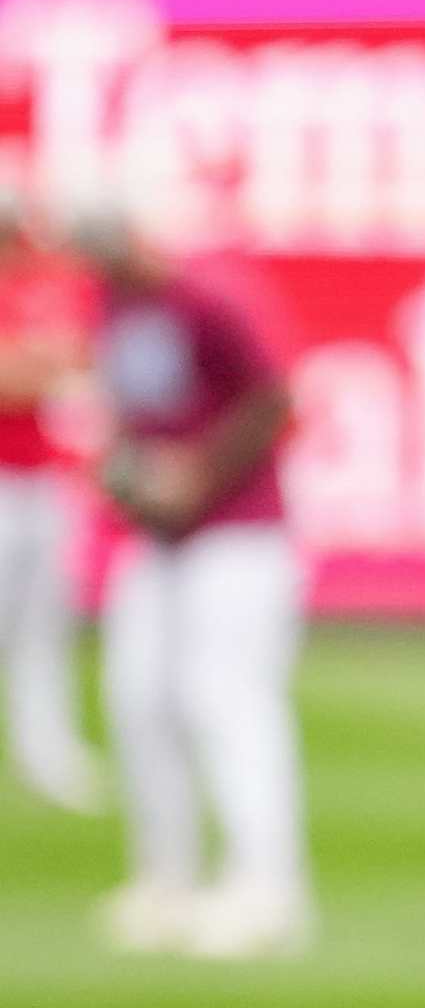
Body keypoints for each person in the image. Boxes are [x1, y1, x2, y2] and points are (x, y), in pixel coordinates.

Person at [71, 205, 313, 960]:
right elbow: (131, 410)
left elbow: (275, 398)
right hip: (159, 539)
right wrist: (124, 471)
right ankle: (166, 878)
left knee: (228, 700)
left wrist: (198, 473)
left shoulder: (208, 298)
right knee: (139, 697)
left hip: (239, 535)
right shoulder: (111, 302)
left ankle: (268, 887)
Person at [0, 191, 100, 813]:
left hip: (46, 479)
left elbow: (83, 357)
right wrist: (42, 365)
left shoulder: (52, 283)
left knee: (45, 628)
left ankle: (47, 751)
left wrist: (35, 364)